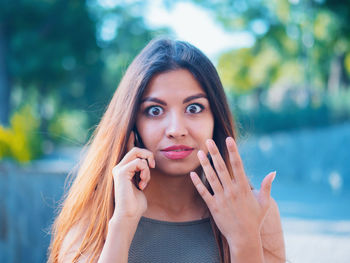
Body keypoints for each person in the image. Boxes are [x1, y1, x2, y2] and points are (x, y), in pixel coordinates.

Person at [48, 38, 285, 263]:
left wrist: (244, 239)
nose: (176, 130)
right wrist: (123, 222)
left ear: (216, 118)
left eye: (194, 108)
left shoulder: (255, 212)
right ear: (132, 123)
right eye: (154, 111)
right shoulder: (95, 215)